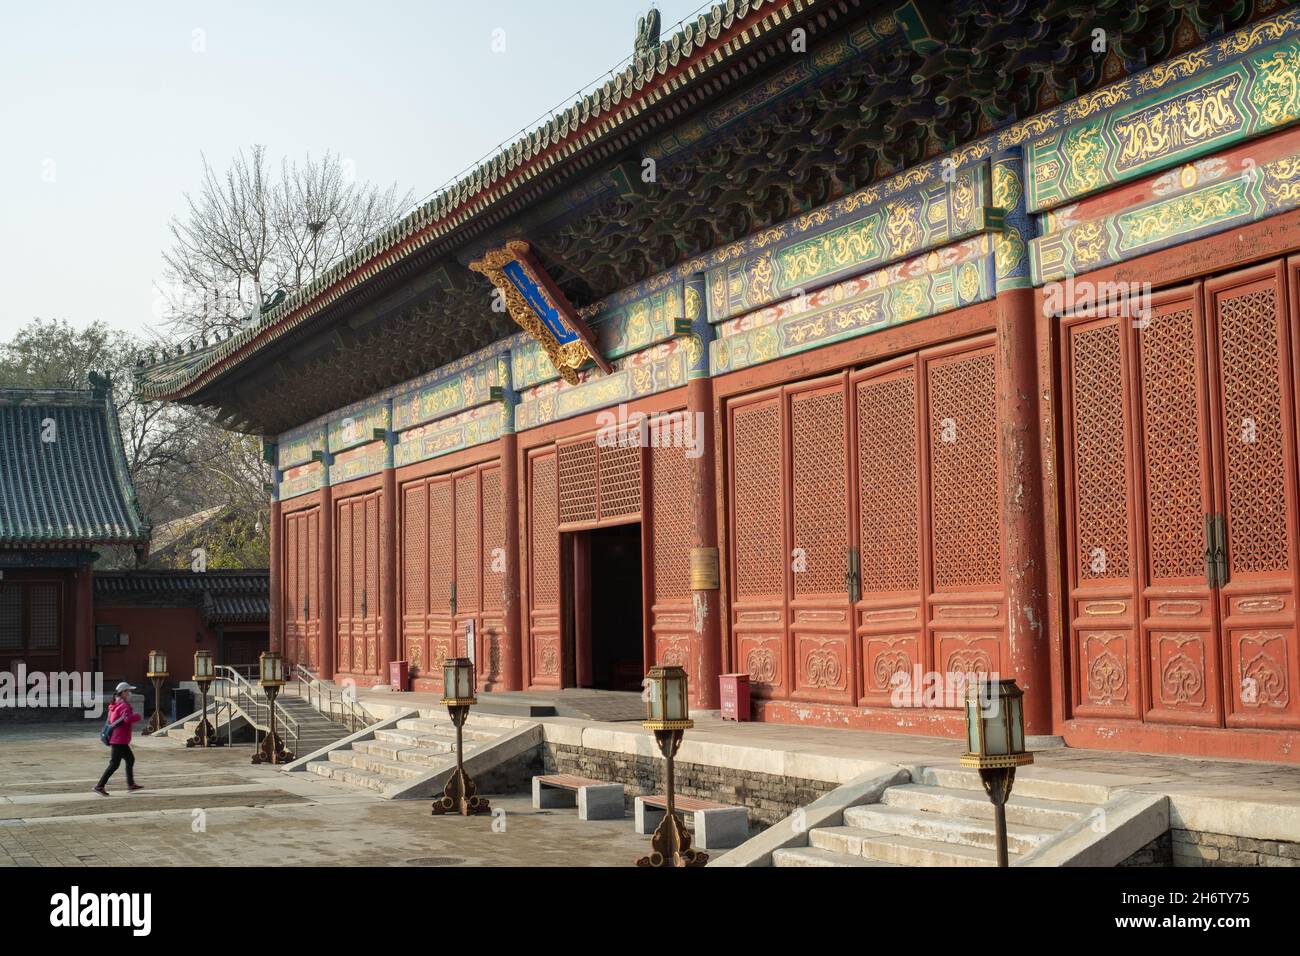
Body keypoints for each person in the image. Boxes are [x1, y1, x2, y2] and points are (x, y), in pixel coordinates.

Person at [94, 682, 144, 796]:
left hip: (118, 739)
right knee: (114, 764)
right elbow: (127, 719)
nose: (130, 693)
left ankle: (131, 784)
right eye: (128, 691)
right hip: (119, 740)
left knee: (130, 759)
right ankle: (99, 786)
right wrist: (137, 716)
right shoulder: (124, 705)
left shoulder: (115, 704)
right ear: (123, 692)